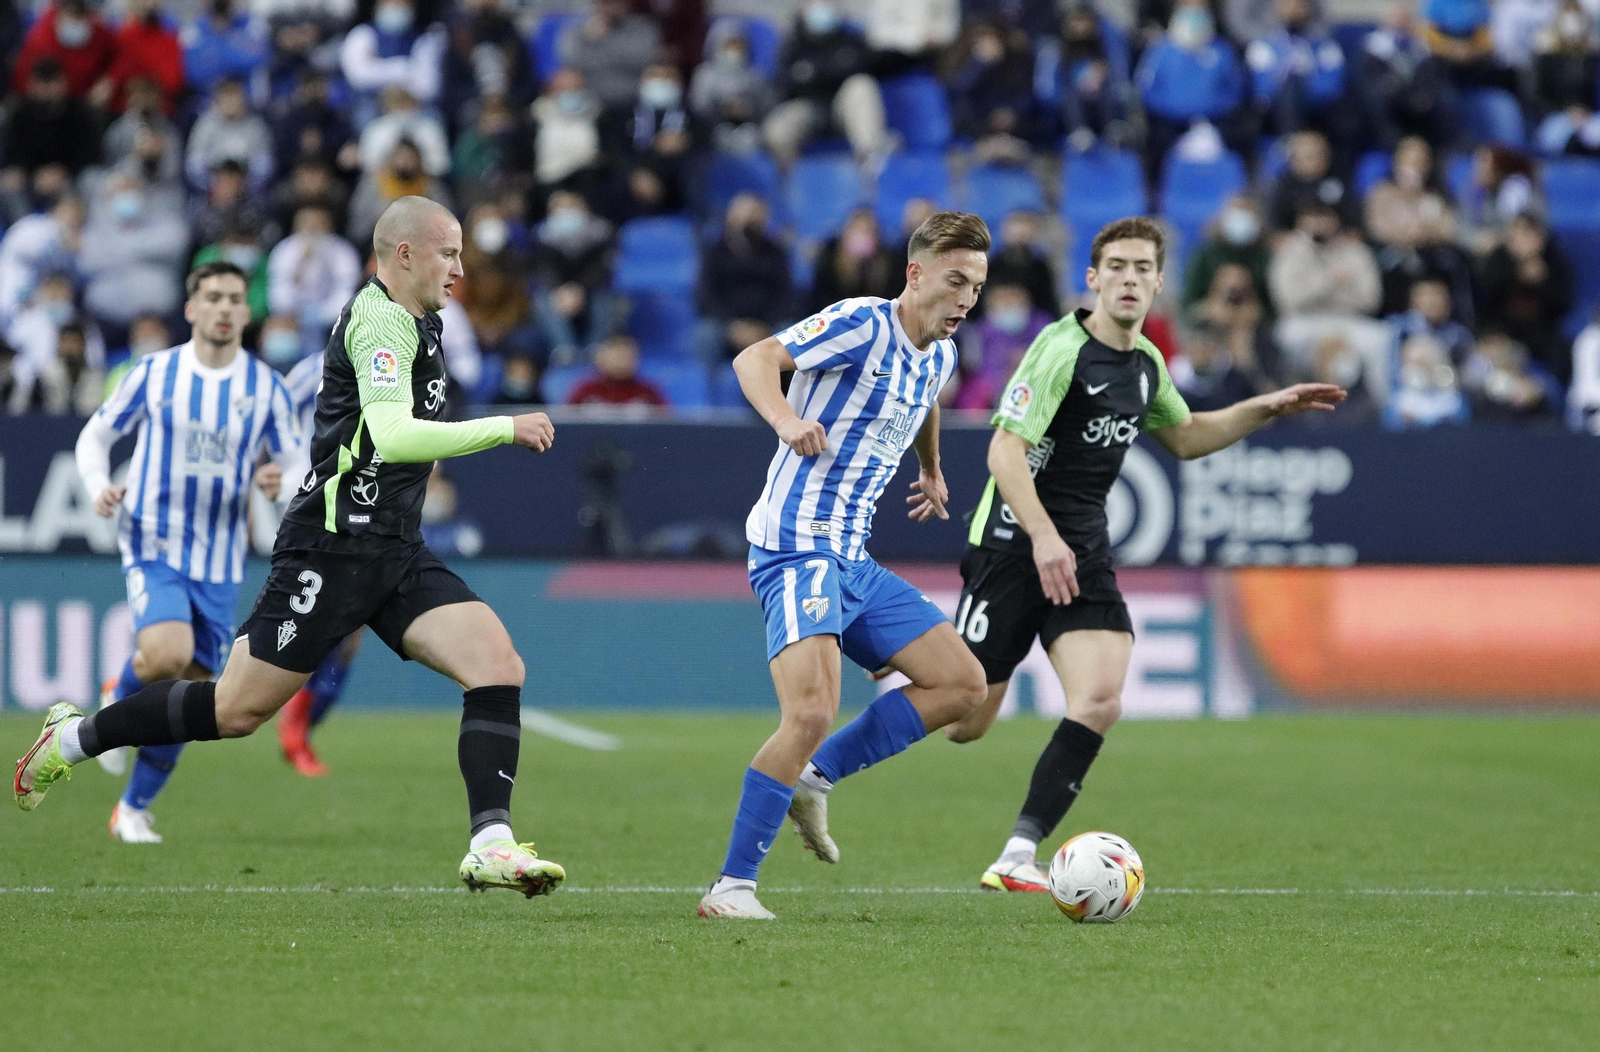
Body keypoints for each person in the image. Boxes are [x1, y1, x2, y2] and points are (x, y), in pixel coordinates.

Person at [17, 197, 568, 900]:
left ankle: (490, 844)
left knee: (497, 664)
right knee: (234, 711)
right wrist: (503, 427)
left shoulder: (426, 321)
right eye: (448, 253)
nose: (461, 269)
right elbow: (395, 436)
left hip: (395, 549)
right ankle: (72, 739)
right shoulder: (378, 321)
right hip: (329, 550)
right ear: (404, 254)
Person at [930, 216, 1342, 892]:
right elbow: (1004, 451)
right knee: (964, 721)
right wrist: (1042, 537)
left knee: (1098, 700)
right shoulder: (1060, 349)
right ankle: (877, 682)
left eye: (1141, 268)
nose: (1128, 278)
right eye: (1115, 266)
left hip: (1082, 550)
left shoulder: (1146, 364)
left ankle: (1017, 853)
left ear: (1157, 283)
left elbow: (1184, 436)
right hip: (1013, 544)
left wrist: (1267, 407)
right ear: (1092, 279)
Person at [697, 212, 993, 920]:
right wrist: (784, 421)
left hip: (851, 556)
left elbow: (923, 398)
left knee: (961, 684)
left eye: (976, 287)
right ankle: (731, 888)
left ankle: (817, 778)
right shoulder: (862, 322)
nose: (965, 300)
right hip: (797, 542)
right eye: (954, 281)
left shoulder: (941, 354)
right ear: (915, 273)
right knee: (809, 711)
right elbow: (754, 358)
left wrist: (930, 466)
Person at [68, 262, 303, 841]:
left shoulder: (264, 387)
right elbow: (95, 435)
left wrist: (281, 481)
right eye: (213, 297)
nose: (224, 308)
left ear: (246, 313)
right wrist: (99, 485)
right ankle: (116, 697)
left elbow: (297, 461)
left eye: (233, 299)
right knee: (166, 655)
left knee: (193, 697)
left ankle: (133, 811)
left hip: (222, 559)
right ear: (192, 309)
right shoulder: (155, 374)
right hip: (155, 537)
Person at [566, 334, 666, 407]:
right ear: (602, 359)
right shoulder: (585, 391)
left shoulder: (649, 392)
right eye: (618, 357)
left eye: (628, 357)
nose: (623, 363)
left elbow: (668, 427)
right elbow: (567, 425)